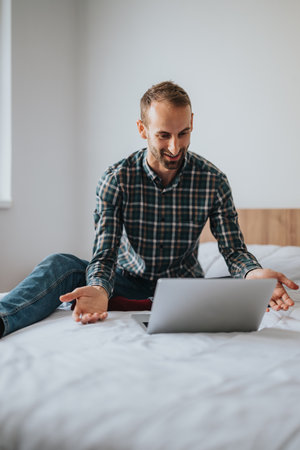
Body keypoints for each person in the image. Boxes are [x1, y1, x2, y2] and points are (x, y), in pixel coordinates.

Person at [0, 81, 298, 337]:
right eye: (163, 135)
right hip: (125, 282)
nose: (175, 147)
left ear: (192, 122)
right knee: (60, 264)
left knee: (250, 286)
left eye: (184, 132)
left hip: (185, 290)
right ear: (142, 129)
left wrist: (253, 274)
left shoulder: (213, 180)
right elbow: (104, 254)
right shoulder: (116, 178)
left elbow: (234, 252)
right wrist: (101, 288)